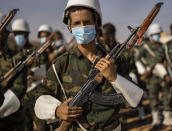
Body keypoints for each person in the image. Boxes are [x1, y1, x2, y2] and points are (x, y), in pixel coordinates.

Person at [32, 0, 143, 130]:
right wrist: (57, 110)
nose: (82, 27)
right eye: (77, 23)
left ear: (96, 23)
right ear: (70, 27)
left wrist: (113, 77)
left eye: (87, 22)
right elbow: (40, 98)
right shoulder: (62, 63)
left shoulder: (116, 61)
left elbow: (134, 100)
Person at [135, 23, 172, 129]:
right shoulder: (145, 47)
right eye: (155, 34)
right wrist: (144, 72)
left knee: (167, 96)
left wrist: (169, 75)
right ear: (151, 35)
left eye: (158, 34)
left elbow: (167, 61)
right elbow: (137, 59)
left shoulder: (163, 46)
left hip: (163, 75)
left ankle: (168, 117)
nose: (157, 36)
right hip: (151, 77)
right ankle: (156, 119)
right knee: (153, 98)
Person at [0, 13, 27, 131]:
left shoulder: (17, 58)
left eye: (2, 32)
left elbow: (19, 88)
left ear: (7, 34)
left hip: (10, 120)